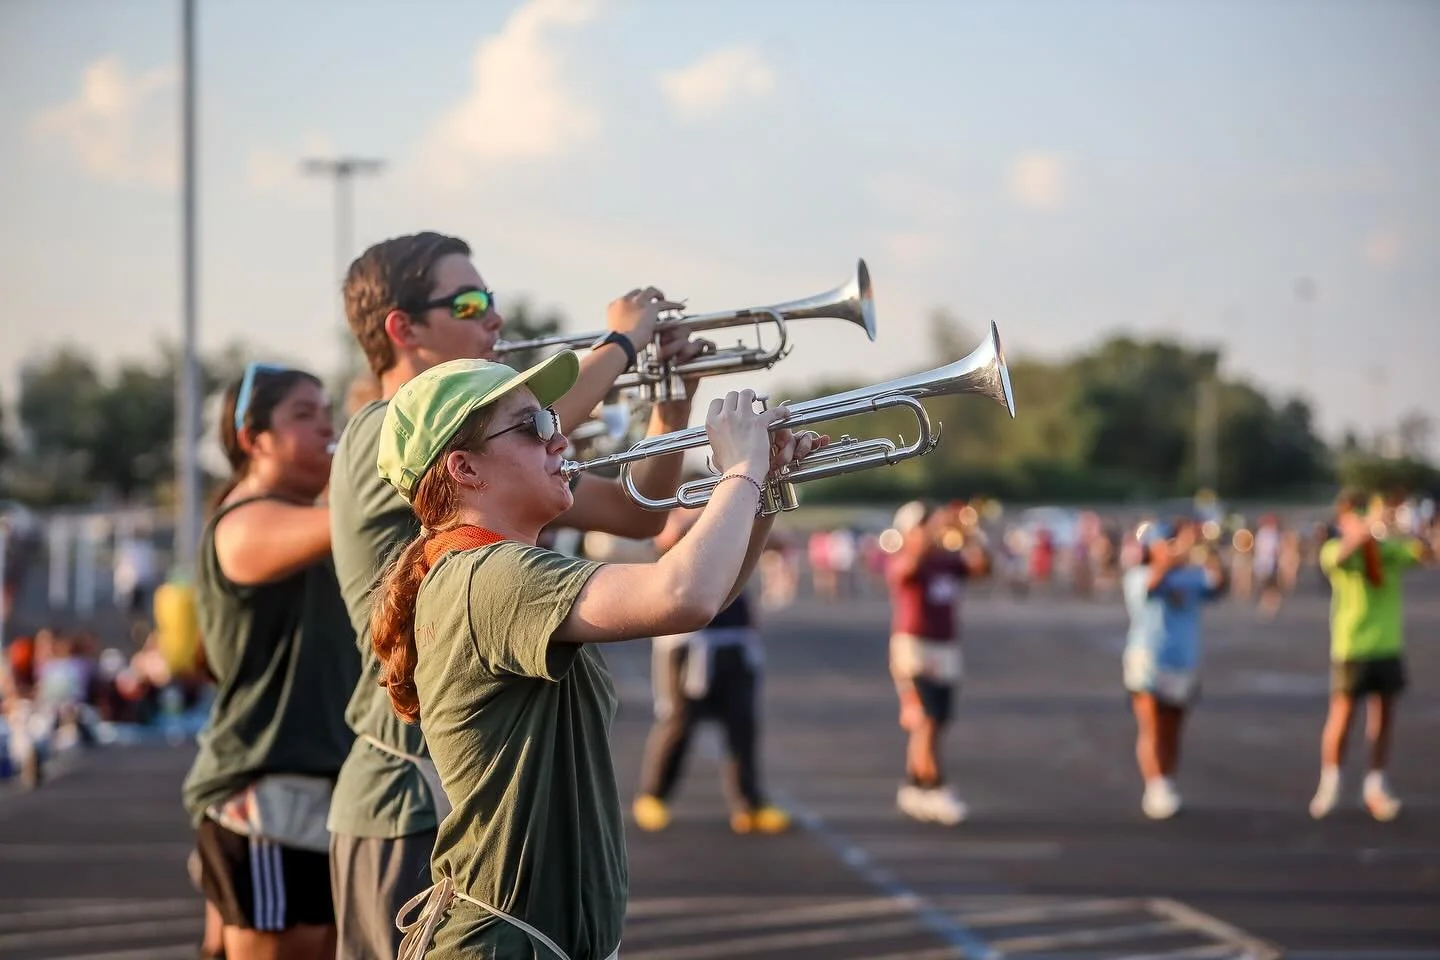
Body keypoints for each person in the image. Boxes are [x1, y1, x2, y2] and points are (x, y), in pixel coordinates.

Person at [326, 231, 715, 959]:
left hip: (474, 791)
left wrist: (673, 404)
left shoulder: (503, 466)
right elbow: (514, 436)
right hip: (411, 796)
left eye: (494, 301)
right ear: (402, 330)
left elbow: (638, 515)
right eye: (470, 303)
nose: (495, 319)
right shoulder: (384, 433)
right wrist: (623, 343)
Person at [368, 353, 823, 959]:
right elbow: (682, 595)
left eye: (552, 419)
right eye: (532, 427)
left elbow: (703, 596)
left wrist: (760, 489)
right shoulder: (489, 575)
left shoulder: (491, 570)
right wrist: (739, 469)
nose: (560, 439)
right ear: (463, 468)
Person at [181, 364, 360, 959]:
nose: (326, 428)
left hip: (316, 793)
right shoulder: (244, 521)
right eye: (303, 416)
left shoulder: (306, 520)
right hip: (271, 797)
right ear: (255, 441)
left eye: (327, 412)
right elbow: (359, 514)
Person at [632, 485, 790, 836]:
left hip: (734, 638)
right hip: (688, 642)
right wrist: (703, 516)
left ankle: (750, 803)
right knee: (679, 721)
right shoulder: (677, 517)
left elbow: (776, 542)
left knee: (742, 724)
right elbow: (667, 540)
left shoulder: (732, 519)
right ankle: (653, 795)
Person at [1309, 488, 1430, 822]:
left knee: (1383, 718)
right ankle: (1330, 780)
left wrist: (1411, 525)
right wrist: (1364, 530)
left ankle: (1376, 783)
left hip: (1387, 645)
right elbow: (1341, 557)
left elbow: (1426, 553)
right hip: (1351, 647)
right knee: (1343, 716)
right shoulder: (1334, 548)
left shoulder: (1389, 548)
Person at [885, 500, 989, 826]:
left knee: (938, 720)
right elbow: (906, 571)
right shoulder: (907, 559)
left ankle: (916, 784)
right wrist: (921, 540)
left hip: (945, 647)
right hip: (915, 647)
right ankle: (935, 786)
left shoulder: (947, 561)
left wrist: (970, 534)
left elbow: (982, 568)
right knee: (926, 718)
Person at [1121, 519, 1225, 820]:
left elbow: (1218, 584)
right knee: (1152, 725)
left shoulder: (1192, 576)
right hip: (1148, 660)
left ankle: (1166, 780)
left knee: (1172, 729)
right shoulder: (1138, 576)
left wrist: (1207, 551)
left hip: (1184, 661)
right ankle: (1154, 786)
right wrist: (1175, 554)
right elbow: (1152, 586)